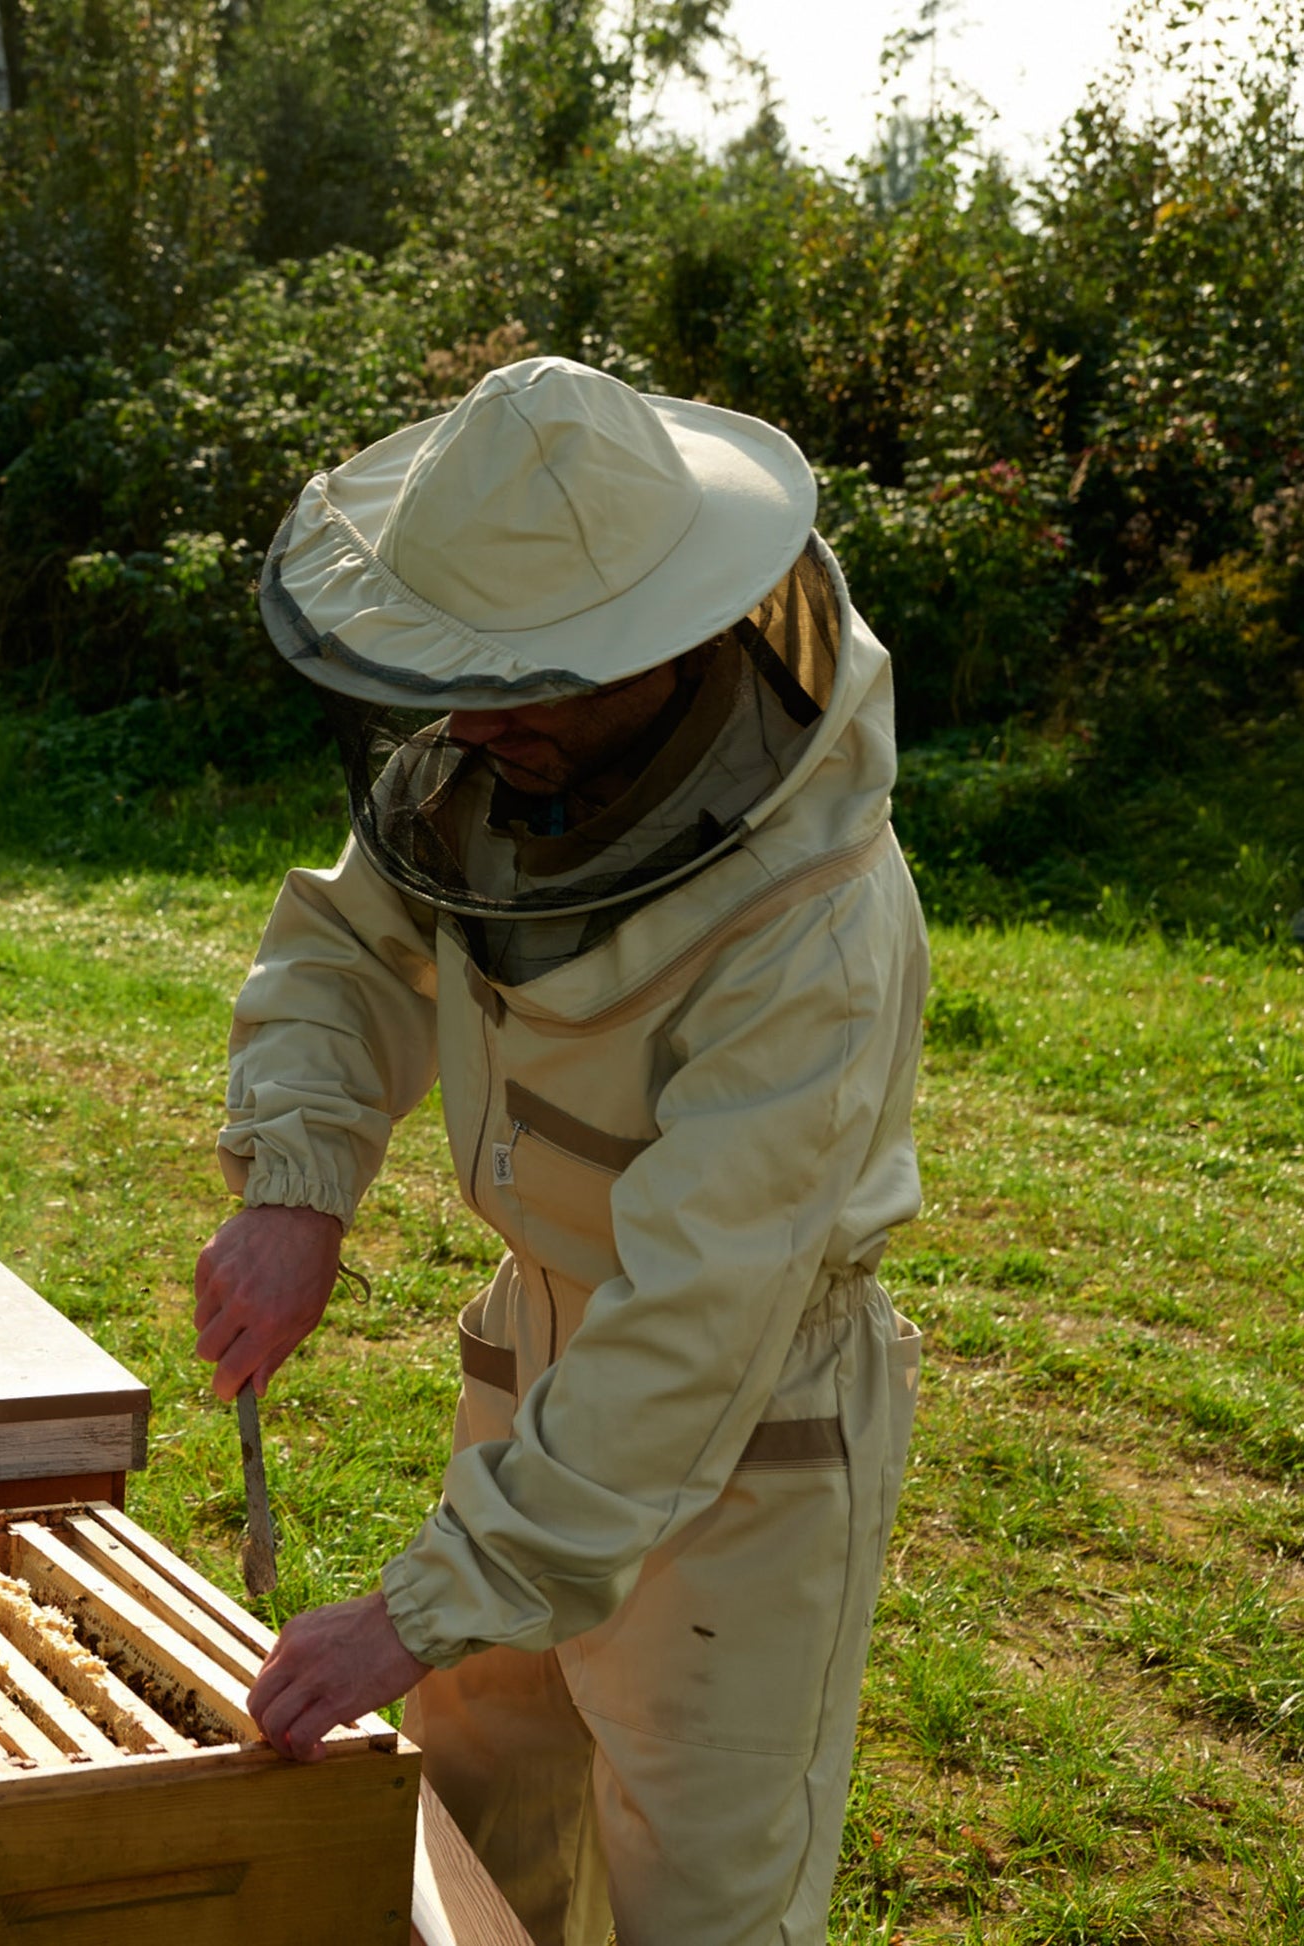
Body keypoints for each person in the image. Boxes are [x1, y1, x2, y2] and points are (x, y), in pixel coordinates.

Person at [193, 355, 927, 1944]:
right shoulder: (492, 766)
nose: (468, 719)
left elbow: (696, 1319)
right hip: (533, 1353)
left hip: (748, 1421)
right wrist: (299, 1185)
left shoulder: (811, 921)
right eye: (459, 671)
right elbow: (343, 954)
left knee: (697, 1900)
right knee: (478, 1833)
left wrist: (419, 1606)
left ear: (660, 642)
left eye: (518, 679)